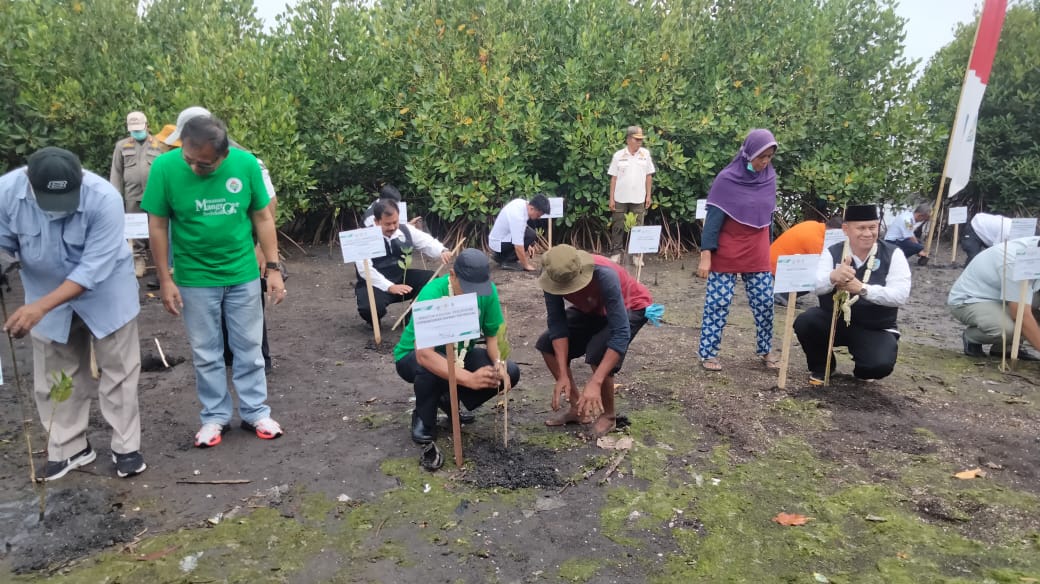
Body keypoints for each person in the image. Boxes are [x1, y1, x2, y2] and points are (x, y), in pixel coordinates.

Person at [0, 147, 146, 480]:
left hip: (106, 291)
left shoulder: (104, 198)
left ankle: (126, 447)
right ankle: (69, 448)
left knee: (118, 370)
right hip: (42, 289)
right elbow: (2, 241)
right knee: (57, 374)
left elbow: (92, 270)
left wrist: (39, 307)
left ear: (79, 180)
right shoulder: (6, 193)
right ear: (28, 183)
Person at [142, 115, 286, 448]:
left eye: (204, 165)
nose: (194, 168)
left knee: (249, 348)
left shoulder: (245, 163)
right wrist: (165, 278)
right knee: (206, 352)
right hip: (194, 277)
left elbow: (263, 217)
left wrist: (273, 268)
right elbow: (158, 226)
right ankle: (214, 417)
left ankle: (255, 412)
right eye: (188, 159)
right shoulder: (164, 168)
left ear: (223, 155)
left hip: (242, 273)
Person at [164, 106, 277, 372]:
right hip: (198, 261)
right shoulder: (176, 163)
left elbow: (268, 207)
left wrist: (262, 248)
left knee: (248, 312)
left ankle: (260, 362)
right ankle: (226, 359)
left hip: (241, 251)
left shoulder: (247, 162)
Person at [393, 249, 520, 469]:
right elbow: (424, 354)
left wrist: (499, 364)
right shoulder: (432, 293)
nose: (475, 294)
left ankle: (448, 399)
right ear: (452, 275)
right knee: (430, 368)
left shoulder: (487, 291)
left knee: (511, 371)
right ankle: (424, 417)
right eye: (468, 287)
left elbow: (492, 336)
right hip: (414, 357)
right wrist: (470, 379)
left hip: (461, 354)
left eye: (479, 289)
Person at [536, 245, 653, 438]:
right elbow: (557, 325)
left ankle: (609, 417)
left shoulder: (605, 275)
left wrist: (595, 382)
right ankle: (578, 409)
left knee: (598, 353)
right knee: (546, 344)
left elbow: (620, 333)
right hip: (592, 307)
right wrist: (563, 374)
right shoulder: (551, 274)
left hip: (631, 306)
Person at [793, 204, 912, 385]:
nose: (868, 233)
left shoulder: (893, 254)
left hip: (875, 326)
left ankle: (863, 370)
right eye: (861, 228)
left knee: (877, 365)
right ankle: (822, 366)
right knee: (806, 322)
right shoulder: (832, 251)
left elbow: (900, 295)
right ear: (846, 229)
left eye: (872, 227)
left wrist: (863, 289)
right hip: (835, 320)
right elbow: (816, 286)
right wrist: (833, 277)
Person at [697, 129, 779, 371]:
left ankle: (765, 350)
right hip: (728, 250)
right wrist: (705, 256)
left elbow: (769, 217)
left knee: (765, 302)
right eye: (761, 156)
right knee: (718, 304)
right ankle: (708, 353)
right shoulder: (726, 179)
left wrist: (770, 249)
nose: (765, 162)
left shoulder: (769, 178)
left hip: (758, 250)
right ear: (748, 153)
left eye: (769, 157)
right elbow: (712, 221)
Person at [355, 198, 452, 325]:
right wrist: (390, 287)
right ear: (376, 221)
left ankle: (413, 317)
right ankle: (373, 322)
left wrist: (442, 251)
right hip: (374, 283)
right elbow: (364, 270)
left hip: (400, 277)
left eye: (395, 222)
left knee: (431, 280)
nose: (393, 227)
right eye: (387, 224)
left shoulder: (406, 230)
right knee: (369, 309)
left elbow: (426, 242)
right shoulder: (364, 237)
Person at [948, 236, 1040, 360]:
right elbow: (1020, 314)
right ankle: (972, 337)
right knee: (1008, 330)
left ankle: (1004, 348)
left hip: (1004, 299)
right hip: (972, 300)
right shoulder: (1019, 261)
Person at [109, 111, 164, 277]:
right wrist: (115, 195)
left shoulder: (159, 144)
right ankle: (138, 259)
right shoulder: (122, 146)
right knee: (134, 229)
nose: (137, 132)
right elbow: (116, 172)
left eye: (140, 128)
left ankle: (160, 261)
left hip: (155, 194)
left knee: (159, 226)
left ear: (147, 126)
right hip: (133, 194)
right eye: (134, 129)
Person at [607, 126, 655, 264]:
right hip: (620, 196)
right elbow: (613, 178)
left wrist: (648, 196)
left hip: (639, 196)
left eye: (641, 140)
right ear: (628, 139)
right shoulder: (618, 155)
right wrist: (611, 199)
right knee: (618, 225)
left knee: (638, 226)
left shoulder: (645, 154)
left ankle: (637, 256)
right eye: (636, 139)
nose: (639, 142)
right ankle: (616, 253)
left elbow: (649, 176)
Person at [769, 216, 844, 305]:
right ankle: (783, 295)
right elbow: (822, 266)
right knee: (816, 279)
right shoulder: (816, 239)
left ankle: (789, 295)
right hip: (779, 266)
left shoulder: (814, 225)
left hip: (775, 260)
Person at [487, 194, 550, 271]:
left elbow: (521, 228)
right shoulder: (517, 216)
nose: (539, 217)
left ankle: (500, 257)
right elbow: (518, 245)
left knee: (529, 233)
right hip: (498, 243)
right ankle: (509, 262)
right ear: (532, 208)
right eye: (538, 215)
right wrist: (526, 265)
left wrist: (528, 245)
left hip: (498, 239)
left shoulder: (521, 203)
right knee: (531, 235)